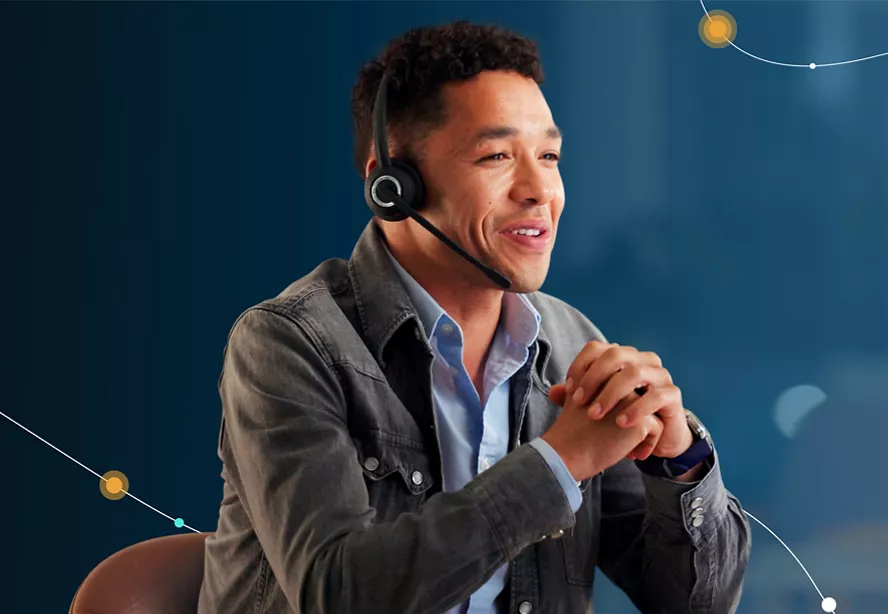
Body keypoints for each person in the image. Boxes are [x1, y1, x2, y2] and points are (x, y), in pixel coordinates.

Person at [197, 20, 751, 614]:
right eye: (496, 156)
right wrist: (561, 461)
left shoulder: (569, 343)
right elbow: (339, 595)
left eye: (549, 155)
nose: (541, 190)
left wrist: (680, 461)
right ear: (392, 187)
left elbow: (700, 604)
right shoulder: (287, 343)